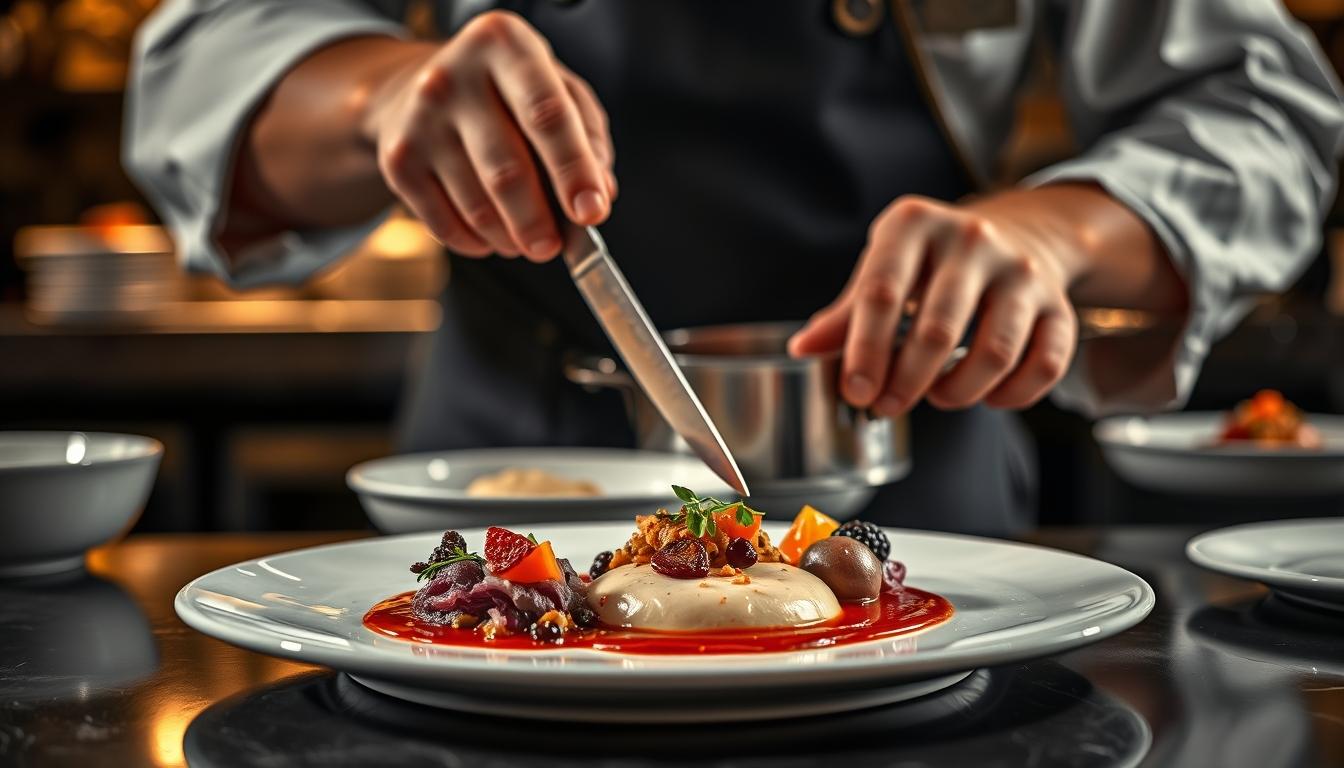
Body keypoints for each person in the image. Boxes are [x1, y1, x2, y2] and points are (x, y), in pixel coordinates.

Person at [124, 0, 1344, 535]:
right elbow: (190, 69)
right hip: (507, 490)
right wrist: (382, 94)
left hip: (918, 487)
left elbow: (1269, 110)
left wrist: (1055, 232)